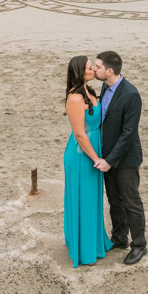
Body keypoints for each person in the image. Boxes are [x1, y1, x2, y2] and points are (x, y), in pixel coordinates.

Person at [93, 51, 147, 265]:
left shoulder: (131, 94)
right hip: (107, 157)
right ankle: (119, 238)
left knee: (131, 203)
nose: (94, 69)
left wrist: (110, 160)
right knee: (114, 200)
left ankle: (139, 246)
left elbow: (128, 134)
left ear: (109, 70)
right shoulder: (105, 87)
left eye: (97, 66)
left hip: (126, 160)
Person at [63, 55, 113, 267]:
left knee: (93, 199)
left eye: (93, 66)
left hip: (94, 152)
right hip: (83, 155)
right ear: (79, 72)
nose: (94, 69)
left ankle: (94, 242)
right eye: (89, 67)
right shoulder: (75, 98)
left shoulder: (90, 92)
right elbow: (80, 134)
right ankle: (84, 250)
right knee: (84, 198)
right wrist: (97, 159)